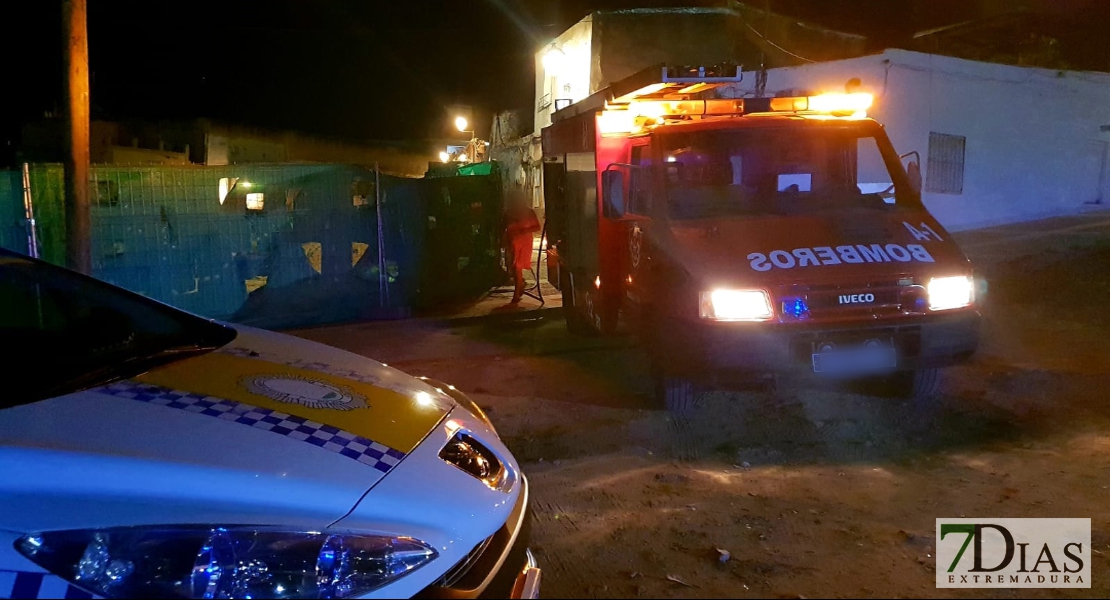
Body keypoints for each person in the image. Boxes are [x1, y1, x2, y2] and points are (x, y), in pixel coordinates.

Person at [502, 191, 541, 304]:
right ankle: (520, 284)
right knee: (512, 268)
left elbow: (537, 227)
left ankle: (516, 293)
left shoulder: (529, 212)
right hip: (511, 242)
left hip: (524, 243)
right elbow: (503, 228)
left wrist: (525, 230)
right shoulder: (508, 213)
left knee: (517, 266)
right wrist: (502, 240)